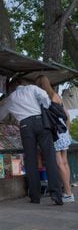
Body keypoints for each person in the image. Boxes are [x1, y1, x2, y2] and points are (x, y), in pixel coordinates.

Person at [0, 79, 63, 205]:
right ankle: (56, 194)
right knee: (49, 157)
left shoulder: (10, 99)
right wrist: (45, 106)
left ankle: (35, 196)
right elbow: (44, 96)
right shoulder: (32, 88)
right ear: (22, 84)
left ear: (11, 88)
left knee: (30, 160)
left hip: (25, 126)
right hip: (40, 121)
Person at [36, 75, 75, 203]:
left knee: (59, 163)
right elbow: (67, 116)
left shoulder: (46, 98)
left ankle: (68, 193)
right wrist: (67, 131)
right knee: (65, 162)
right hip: (64, 131)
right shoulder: (57, 96)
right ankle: (68, 191)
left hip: (56, 133)